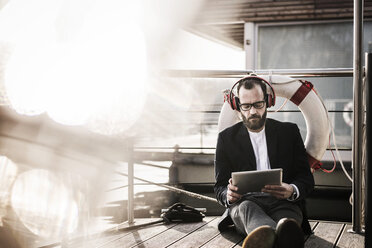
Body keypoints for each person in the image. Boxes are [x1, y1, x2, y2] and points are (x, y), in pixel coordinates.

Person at [214, 76, 314, 248]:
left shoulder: (289, 132)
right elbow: (220, 187)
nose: (253, 111)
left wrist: (291, 190)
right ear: (238, 107)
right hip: (246, 204)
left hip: (284, 203)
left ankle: (266, 238)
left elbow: (306, 178)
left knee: (287, 220)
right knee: (247, 209)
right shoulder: (226, 139)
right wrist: (228, 195)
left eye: (258, 104)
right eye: (246, 106)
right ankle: (280, 238)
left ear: (268, 102)